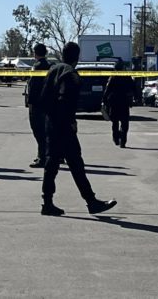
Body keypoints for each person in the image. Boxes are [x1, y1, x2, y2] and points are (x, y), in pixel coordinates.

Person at [39, 42, 117, 216]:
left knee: (52, 164)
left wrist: (51, 117)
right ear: (77, 57)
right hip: (63, 126)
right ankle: (91, 202)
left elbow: (43, 98)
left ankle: (47, 202)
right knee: (75, 163)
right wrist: (69, 120)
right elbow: (64, 98)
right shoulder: (70, 74)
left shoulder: (54, 70)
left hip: (51, 123)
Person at [26, 44, 52, 168]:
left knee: (38, 131)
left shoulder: (37, 67)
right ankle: (48, 154)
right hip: (47, 103)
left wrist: (29, 102)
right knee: (45, 131)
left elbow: (34, 87)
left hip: (37, 104)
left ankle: (42, 157)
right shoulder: (50, 66)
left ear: (35, 53)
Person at [103, 61, 136, 148]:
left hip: (114, 103)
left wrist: (104, 100)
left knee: (115, 122)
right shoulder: (127, 77)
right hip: (124, 102)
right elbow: (134, 87)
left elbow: (107, 90)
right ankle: (123, 141)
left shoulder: (112, 78)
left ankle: (116, 138)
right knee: (124, 123)